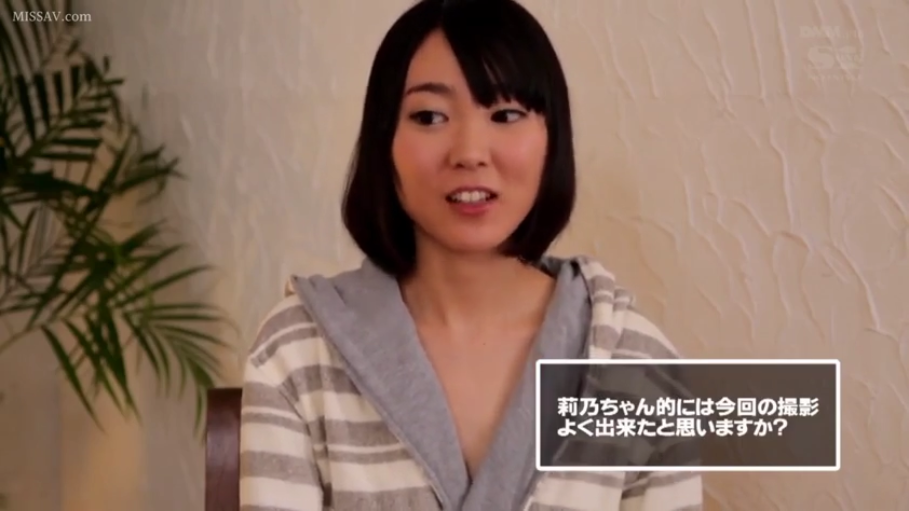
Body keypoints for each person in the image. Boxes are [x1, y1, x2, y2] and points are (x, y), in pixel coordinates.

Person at [238, 0, 703, 509]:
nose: (470, 152)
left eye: (506, 114)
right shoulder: (296, 353)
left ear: (552, 140)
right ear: (383, 141)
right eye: (429, 116)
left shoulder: (640, 364)